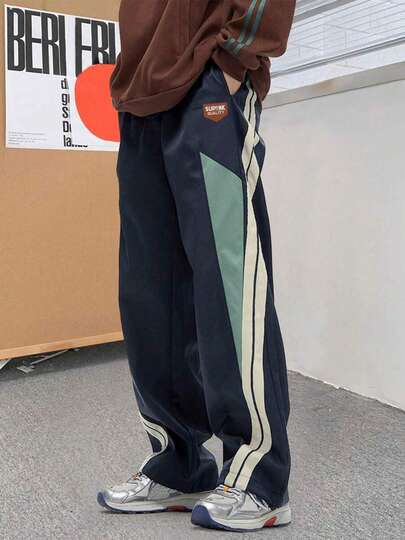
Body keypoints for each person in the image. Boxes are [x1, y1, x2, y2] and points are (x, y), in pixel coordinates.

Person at [97, 0, 296, 532]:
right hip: (141, 94)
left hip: (209, 83)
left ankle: (259, 476)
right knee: (150, 294)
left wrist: (235, 57)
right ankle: (179, 463)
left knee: (228, 285)